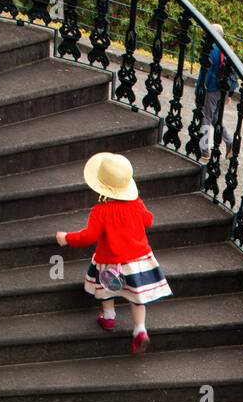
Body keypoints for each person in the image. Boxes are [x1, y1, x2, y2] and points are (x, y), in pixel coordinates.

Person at [55, 152, 171, 355]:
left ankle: (108, 317)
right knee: (137, 298)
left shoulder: (100, 211)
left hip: (110, 261)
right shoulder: (136, 203)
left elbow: (89, 237)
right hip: (138, 260)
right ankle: (140, 330)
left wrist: (67, 238)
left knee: (107, 287)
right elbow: (149, 221)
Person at [200, 23, 239, 160]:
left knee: (206, 117)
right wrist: (230, 93)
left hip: (211, 88)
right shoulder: (227, 50)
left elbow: (205, 71)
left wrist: (199, 88)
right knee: (216, 118)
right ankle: (230, 142)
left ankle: (204, 150)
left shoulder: (211, 49)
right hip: (223, 90)